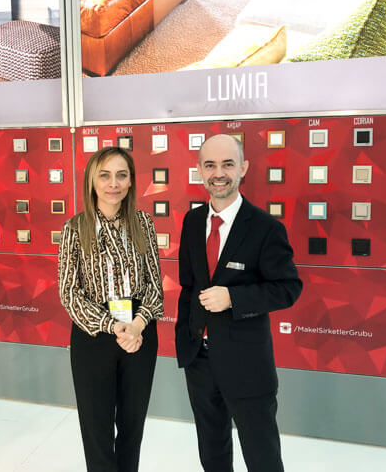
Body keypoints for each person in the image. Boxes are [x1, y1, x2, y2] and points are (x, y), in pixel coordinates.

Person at [176, 134, 302, 472]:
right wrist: (185, 340)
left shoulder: (265, 227)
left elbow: (288, 288)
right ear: (200, 170)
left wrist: (233, 298)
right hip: (200, 361)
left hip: (247, 363)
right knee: (212, 454)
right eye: (210, 165)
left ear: (243, 168)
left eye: (228, 164)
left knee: (262, 458)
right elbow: (188, 287)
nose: (218, 173)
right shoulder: (192, 222)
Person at [58, 147, 164, 472]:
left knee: (132, 425)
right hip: (94, 335)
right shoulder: (75, 228)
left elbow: (155, 286)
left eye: (121, 175)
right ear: (92, 181)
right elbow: (69, 293)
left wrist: (137, 325)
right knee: (97, 429)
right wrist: (112, 325)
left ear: (131, 182)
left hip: (139, 332)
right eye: (104, 175)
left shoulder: (143, 223)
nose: (113, 184)